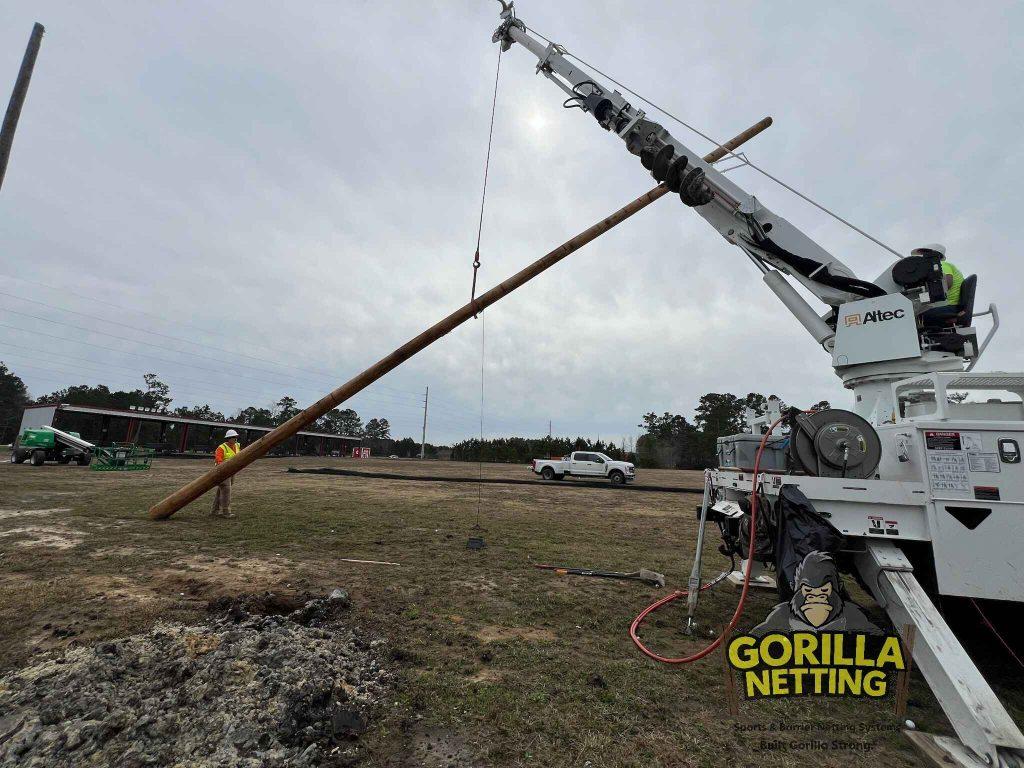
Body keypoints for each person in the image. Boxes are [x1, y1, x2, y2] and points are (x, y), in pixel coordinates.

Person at [915, 243, 965, 326]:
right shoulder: (935, 268)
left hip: (949, 306)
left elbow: (947, 284)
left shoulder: (939, 265)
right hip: (950, 306)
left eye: (923, 253)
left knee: (913, 317)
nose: (920, 256)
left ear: (932, 254)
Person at [212, 429, 242, 518]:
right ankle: (226, 512)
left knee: (221, 492)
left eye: (236, 437)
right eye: (233, 437)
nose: (235, 439)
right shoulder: (221, 448)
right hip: (223, 472)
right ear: (228, 438)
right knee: (226, 491)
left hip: (232, 472)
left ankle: (214, 511)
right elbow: (218, 461)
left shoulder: (237, 446)